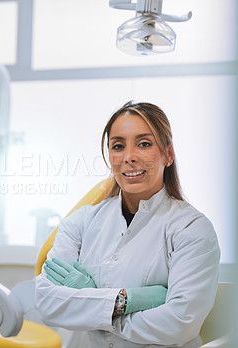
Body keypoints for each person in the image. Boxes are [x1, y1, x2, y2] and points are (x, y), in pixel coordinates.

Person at [35, 101, 220, 347]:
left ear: (168, 154)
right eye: (118, 146)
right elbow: (47, 302)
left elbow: (179, 323)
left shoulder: (191, 228)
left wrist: (96, 310)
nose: (129, 158)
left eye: (144, 144)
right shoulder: (79, 223)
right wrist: (126, 300)